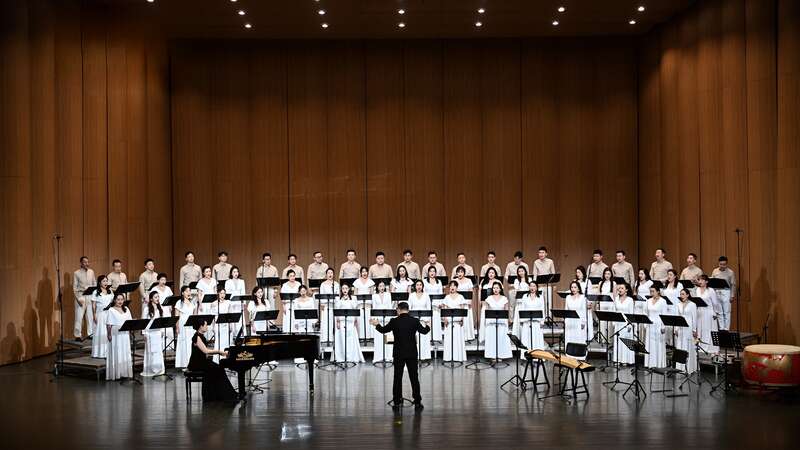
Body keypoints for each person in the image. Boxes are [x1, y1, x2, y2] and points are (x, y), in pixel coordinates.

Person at [371, 301, 430, 411]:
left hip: (398, 353)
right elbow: (424, 331)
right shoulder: (414, 321)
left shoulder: (394, 321)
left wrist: (376, 324)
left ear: (398, 310)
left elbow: (383, 330)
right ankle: (417, 401)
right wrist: (428, 326)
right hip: (412, 353)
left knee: (397, 377)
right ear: (408, 310)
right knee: (414, 377)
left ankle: (397, 401)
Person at [187, 319, 239, 403]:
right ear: (201, 326)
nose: (207, 327)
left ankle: (223, 394)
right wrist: (219, 352)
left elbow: (204, 352)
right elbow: (206, 351)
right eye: (205, 325)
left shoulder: (201, 336)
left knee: (219, 368)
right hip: (197, 363)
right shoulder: (197, 337)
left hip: (202, 361)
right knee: (218, 369)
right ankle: (224, 394)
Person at [512, 281, 545, 356]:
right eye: (531, 286)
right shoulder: (525, 296)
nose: (532, 288)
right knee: (527, 338)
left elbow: (542, 309)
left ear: (537, 287)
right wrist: (521, 320)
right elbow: (522, 308)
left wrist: (542, 321)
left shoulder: (540, 297)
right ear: (529, 287)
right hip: (527, 321)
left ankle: (537, 355)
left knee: (536, 338)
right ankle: (527, 356)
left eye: (534, 286)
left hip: (536, 322)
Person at [332, 284, 364, 363]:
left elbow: (355, 309)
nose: (345, 290)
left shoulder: (353, 298)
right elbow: (337, 310)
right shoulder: (338, 299)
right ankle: (342, 356)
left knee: (350, 339)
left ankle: (351, 356)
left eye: (346, 288)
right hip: (342, 321)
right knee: (342, 339)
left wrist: (355, 320)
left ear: (349, 289)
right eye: (343, 288)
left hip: (350, 321)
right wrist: (337, 321)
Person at [105, 293, 133, 380]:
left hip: (125, 333)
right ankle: (117, 373)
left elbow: (130, 322)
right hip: (116, 334)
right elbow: (109, 324)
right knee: (117, 351)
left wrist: (130, 333)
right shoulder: (111, 310)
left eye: (121, 299)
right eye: (118, 299)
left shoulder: (126, 309)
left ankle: (124, 372)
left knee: (125, 352)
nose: (120, 301)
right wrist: (109, 334)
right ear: (114, 300)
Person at [481, 282, 512, 360]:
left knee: (501, 338)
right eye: (494, 288)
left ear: (500, 289)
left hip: (501, 321)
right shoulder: (489, 298)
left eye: (497, 288)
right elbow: (487, 311)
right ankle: (492, 355)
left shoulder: (504, 298)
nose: (495, 289)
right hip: (491, 321)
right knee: (492, 339)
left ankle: (501, 355)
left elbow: (506, 310)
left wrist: (507, 320)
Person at [441, 282, 467, 363]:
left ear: (457, 287)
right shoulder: (447, 297)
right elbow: (444, 308)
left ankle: (458, 357)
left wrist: (462, 319)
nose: (452, 287)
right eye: (451, 286)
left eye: (454, 286)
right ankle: (448, 357)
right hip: (449, 320)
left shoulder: (461, 297)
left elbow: (462, 308)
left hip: (457, 319)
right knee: (449, 338)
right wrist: (445, 319)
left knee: (457, 338)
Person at [142, 291, 166, 377]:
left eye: (158, 297)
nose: (157, 299)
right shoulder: (146, 309)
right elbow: (144, 322)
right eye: (155, 297)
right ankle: (151, 369)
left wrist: (162, 331)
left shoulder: (160, 308)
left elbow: (162, 321)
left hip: (157, 332)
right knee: (151, 351)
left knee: (158, 351)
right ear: (151, 299)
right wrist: (144, 333)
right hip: (150, 333)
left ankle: (159, 368)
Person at [73, 256, 96, 340]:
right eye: (85, 262)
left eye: (87, 262)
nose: (87, 263)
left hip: (89, 295)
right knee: (79, 317)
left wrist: (94, 296)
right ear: (81, 263)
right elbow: (75, 288)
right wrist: (78, 299)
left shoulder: (91, 272)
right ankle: (77, 335)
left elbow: (94, 283)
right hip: (81, 296)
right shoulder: (76, 273)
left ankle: (90, 334)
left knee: (90, 316)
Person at [675, 288, 698, 373]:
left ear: (688, 295)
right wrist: (676, 328)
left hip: (689, 327)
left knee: (688, 346)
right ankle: (680, 367)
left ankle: (689, 367)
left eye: (683, 294)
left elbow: (694, 318)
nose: (681, 296)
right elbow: (677, 317)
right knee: (680, 346)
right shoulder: (678, 304)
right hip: (681, 327)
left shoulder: (692, 305)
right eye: (681, 294)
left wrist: (694, 330)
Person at [695, 274, 719, 354]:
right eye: (699, 280)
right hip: (700, 311)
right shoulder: (697, 290)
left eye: (702, 280)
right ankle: (701, 346)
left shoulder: (710, 290)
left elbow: (715, 303)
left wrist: (715, 313)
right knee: (700, 329)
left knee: (707, 329)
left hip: (708, 312)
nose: (700, 281)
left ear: (706, 281)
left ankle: (710, 348)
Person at [409, 280, 433, 360]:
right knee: (414, 339)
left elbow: (429, 308)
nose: (419, 286)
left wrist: (428, 321)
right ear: (415, 286)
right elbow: (409, 308)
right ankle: (414, 356)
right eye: (417, 285)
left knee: (424, 338)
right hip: (414, 320)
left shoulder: (426, 295)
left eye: (420, 285)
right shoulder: (411, 295)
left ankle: (424, 356)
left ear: (422, 286)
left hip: (424, 320)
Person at [644, 287, 667, 369]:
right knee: (650, 344)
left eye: (653, 291)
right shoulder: (648, 301)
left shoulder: (663, 301)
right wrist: (645, 324)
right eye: (650, 291)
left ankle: (658, 364)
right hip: (650, 324)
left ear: (658, 291)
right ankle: (650, 363)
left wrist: (663, 326)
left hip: (658, 324)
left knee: (658, 344)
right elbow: (645, 313)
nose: (651, 293)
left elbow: (664, 315)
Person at [711, 256, 736, 330]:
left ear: (726, 264)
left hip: (726, 292)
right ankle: (721, 328)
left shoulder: (730, 272)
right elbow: (712, 282)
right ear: (718, 263)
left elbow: (733, 284)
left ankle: (726, 329)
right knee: (719, 312)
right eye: (721, 264)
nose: (722, 266)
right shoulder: (715, 271)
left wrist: (732, 295)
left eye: (724, 264)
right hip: (717, 291)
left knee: (726, 312)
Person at [91, 275, 113, 358]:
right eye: (104, 281)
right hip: (100, 314)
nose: (105, 283)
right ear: (100, 283)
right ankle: (99, 353)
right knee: (101, 332)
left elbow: (113, 301)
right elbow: (93, 305)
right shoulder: (96, 292)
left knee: (108, 332)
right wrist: (94, 315)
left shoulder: (110, 291)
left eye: (106, 281)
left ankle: (108, 352)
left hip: (109, 314)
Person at [612, 283, 635, 365]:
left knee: (626, 341)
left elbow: (631, 313)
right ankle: (618, 359)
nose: (620, 290)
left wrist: (630, 324)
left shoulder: (630, 300)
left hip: (626, 324)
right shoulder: (616, 299)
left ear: (626, 290)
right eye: (619, 288)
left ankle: (626, 360)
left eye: (622, 288)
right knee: (618, 341)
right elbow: (614, 311)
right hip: (618, 323)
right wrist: (614, 322)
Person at [564, 281, 588, 358]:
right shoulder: (568, 297)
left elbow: (584, 310)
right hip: (570, 321)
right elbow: (566, 309)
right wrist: (565, 320)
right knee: (570, 338)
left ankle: (579, 355)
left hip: (578, 321)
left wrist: (583, 322)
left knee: (578, 338)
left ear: (578, 289)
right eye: (572, 287)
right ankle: (569, 355)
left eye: (575, 287)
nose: (573, 289)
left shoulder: (583, 298)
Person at [372, 281, 394, 363]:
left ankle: (389, 356)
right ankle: (378, 357)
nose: (382, 287)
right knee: (378, 338)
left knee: (388, 337)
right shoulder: (374, 296)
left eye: (383, 286)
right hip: (378, 319)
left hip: (387, 318)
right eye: (380, 286)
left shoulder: (388, 295)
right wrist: (375, 319)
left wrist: (390, 318)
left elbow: (389, 306)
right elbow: (374, 308)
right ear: (377, 287)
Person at [174, 286, 195, 369]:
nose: (188, 293)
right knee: (183, 344)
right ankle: (184, 363)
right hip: (182, 326)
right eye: (186, 291)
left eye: (189, 291)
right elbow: (177, 316)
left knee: (190, 344)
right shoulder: (179, 303)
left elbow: (194, 315)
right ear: (182, 293)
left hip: (191, 326)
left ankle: (191, 363)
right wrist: (177, 327)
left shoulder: (192, 303)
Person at [453, 267, 476, 341]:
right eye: (458, 272)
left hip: (466, 302)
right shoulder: (454, 280)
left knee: (467, 319)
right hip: (457, 303)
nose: (460, 273)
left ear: (464, 273)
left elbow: (471, 291)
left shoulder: (469, 280)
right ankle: (459, 336)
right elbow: (452, 291)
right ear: (456, 273)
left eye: (461, 272)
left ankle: (468, 336)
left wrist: (470, 301)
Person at [353, 266, 375, 339]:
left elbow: (372, 294)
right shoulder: (357, 281)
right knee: (360, 320)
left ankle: (368, 337)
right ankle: (360, 337)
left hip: (368, 304)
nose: (364, 273)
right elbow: (355, 294)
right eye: (363, 272)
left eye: (365, 271)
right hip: (359, 304)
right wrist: (355, 305)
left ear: (368, 273)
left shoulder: (371, 282)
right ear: (360, 273)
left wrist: (372, 304)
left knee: (368, 320)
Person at [423, 266, 443, 342]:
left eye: (433, 271)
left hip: (437, 305)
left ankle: (437, 337)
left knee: (436, 321)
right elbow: (424, 293)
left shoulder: (439, 282)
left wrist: (440, 303)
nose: (432, 273)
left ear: (435, 273)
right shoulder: (424, 281)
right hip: (428, 303)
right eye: (430, 271)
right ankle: (428, 337)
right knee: (429, 320)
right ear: (428, 273)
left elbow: (440, 293)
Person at [318, 268, 339, 341]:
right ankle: (325, 338)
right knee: (325, 321)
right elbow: (321, 295)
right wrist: (322, 304)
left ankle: (333, 338)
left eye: (331, 273)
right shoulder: (323, 284)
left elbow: (337, 295)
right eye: (328, 273)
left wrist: (336, 304)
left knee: (333, 321)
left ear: (333, 274)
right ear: (326, 274)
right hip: (325, 305)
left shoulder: (336, 284)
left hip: (334, 305)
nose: (330, 274)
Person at [532, 247, 556, 312]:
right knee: (541, 302)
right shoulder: (536, 262)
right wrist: (534, 286)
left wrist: (554, 285)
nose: (541, 254)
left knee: (549, 302)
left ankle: (549, 317)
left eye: (542, 253)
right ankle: (542, 317)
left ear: (546, 254)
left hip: (548, 285)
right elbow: (535, 275)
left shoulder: (550, 261)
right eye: (539, 253)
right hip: (540, 285)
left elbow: (553, 274)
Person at [574, 266, 594, 341]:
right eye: (577, 272)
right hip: (577, 304)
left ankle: (587, 337)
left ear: (583, 273)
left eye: (579, 272)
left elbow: (590, 293)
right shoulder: (575, 281)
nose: (577, 274)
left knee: (586, 319)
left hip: (585, 303)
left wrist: (589, 303)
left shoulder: (588, 281)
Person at [596, 267, 616, 340]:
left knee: (609, 322)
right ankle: (603, 338)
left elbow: (614, 295)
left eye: (608, 274)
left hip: (610, 304)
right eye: (605, 274)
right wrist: (598, 303)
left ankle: (609, 338)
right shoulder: (601, 283)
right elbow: (598, 294)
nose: (607, 275)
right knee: (602, 322)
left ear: (611, 275)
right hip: (602, 304)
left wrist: (615, 305)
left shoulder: (613, 283)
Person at [225, 266, 246, 333]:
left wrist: (244, 303)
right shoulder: (228, 282)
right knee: (233, 319)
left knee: (240, 318)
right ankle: (233, 334)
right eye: (234, 272)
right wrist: (228, 304)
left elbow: (243, 292)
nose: (236, 273)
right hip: (231, 303)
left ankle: (241, 334)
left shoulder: (242, 281)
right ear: (231, 273)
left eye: (237, 271)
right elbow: (227, 294)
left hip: (239, 303)